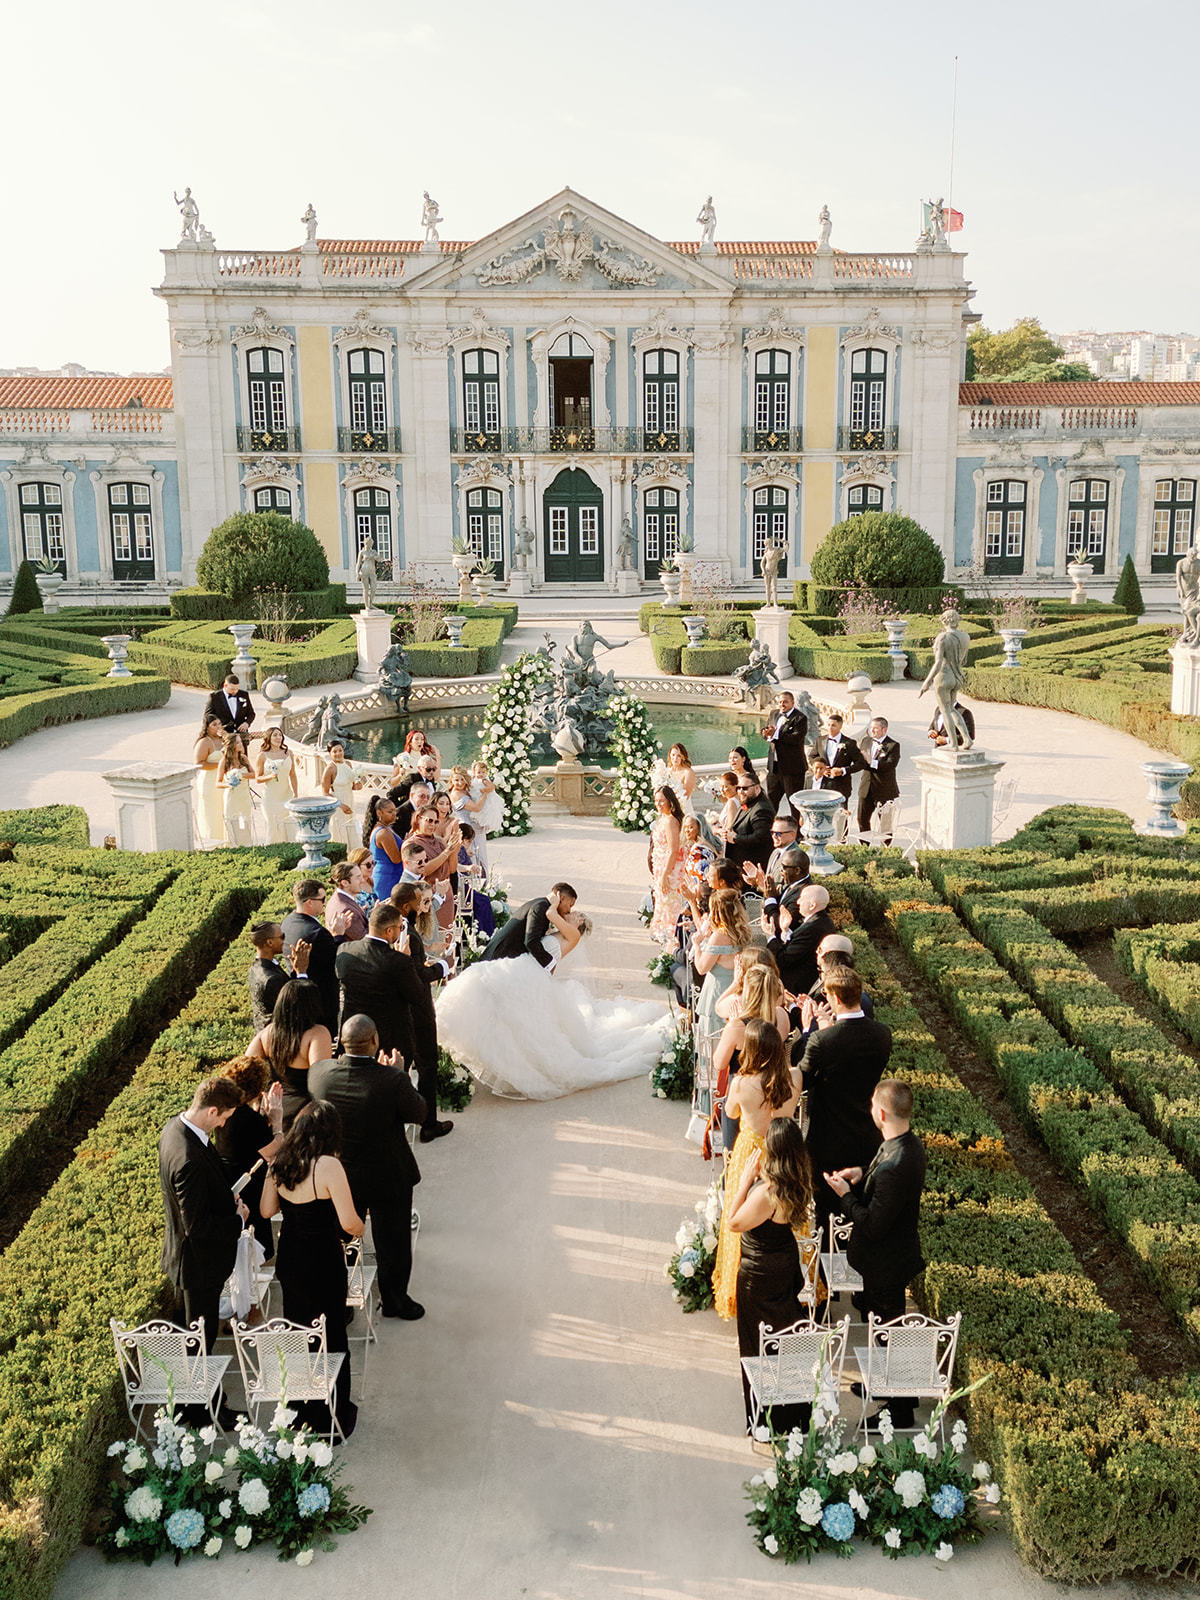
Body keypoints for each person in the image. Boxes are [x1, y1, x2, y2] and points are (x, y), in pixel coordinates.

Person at [436, 892, 670, 1099]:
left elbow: (550, 913)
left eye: (576, 914)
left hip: (528, 972)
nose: (572, 913)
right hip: (526, 970)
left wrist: (556, 899)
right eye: (573, 910)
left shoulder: (573, 934)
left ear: (580, 923)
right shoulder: (561, 932)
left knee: (496, 999)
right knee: (496, 1002)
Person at [308, 1015, 427, 1319]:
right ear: (375, 1041)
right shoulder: (393, 1080)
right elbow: (419, 1113)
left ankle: (343, 1303)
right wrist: (399, 1073)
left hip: (342, 1175)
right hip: (389, 1174)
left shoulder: (319, 1074)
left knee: (342, 1240)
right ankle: (395, 1301)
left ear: (341, 1043)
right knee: (393, 1241)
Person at [824, 1079, 927, 1428]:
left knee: (887, 1334)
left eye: (872, 1105)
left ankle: (899, 1411)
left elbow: (872, 1225)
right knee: (885, 1328)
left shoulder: (897, 1163)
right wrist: (862, 1175)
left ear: (880, 1113)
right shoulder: (905, 1145)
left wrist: (845, 1196)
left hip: (886, 1262)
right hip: (887, 1259)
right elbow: (883, 1185)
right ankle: (892, 1389)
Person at [260, 1099, 363, 1438]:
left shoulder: (281, 1162)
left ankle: (302, 1409)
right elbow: (349, 1223)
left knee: (300, 1332)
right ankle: (332, 1414)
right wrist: (361, 1228)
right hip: (322, 1260)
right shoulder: (328, 1166)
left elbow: (266, 1210)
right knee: (332, 1333)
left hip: (291, 1258)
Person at [727, 1117, 816, 1435]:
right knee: (784, 1336)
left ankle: (765, 1420)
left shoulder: (768, 1193)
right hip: (784, 1265)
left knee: (757, 1342)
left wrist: (743, 1182)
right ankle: (793, 1413)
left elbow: (734, 1223)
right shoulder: (797, 1181)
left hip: (759, 1272)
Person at [712, 1019, 801, 1320]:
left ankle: (739, 1286)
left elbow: (731, 1112)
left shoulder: (741, 1083)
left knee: (741, 1212)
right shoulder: (793, 1078)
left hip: (750, 1152)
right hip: (782, 1148)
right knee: (787, 1212)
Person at [158, 1076, 246, 1376]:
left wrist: (224, 1196)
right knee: (199, 1343)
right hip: (198, 1267)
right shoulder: (189, 1159)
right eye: (224, 1117)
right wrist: (237, 1220)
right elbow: (197, 1227)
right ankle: (204, 1402)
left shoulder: (174, 1128)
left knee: (193, 1338)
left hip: (188, 1260)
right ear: (212, 1111)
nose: (223, 1124)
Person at [799, 967, 891, 1238]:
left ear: (835, 999)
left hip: (828, 1139)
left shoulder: (822, 1040)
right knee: (859, 1211)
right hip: (867, 1136)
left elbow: (803, 1080)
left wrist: (809, 1030)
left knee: (827, 1217)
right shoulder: (882, 1034)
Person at [390, 883, 454, 1139]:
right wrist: (442, 968)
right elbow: (416, 976)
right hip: (418, 1009)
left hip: (399, 1009)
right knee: (427, 1064)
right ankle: (429, 1124)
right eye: (419, 902)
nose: (422, 906)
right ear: (407, 906)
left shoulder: (389, 924)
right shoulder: (407, 933)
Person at [712, 962, 793, 1154]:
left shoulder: (737, 1027)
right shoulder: (781, 1016)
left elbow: (719, 1063)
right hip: (773, 1090)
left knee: (736, 1154)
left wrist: (731, 1025)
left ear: (747, 991)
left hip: (742, 1094)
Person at [334, 900, 425, 1062]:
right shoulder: (399, 961)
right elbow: (417, 995)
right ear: (389, 931)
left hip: (353, 1038)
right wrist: (405, 960)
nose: (401, 931)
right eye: (400, 927)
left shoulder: (345, 950)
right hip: (390, 1045)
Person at [212, 1055, 281, 1260]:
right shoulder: (248, 1119)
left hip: (229, 1181)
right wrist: (277, 1121)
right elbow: (272, 1151)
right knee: (253, 1250)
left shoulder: (226, 1111)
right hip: (249, 1188)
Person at [247, 976, 334, 1130]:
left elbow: (245, 1069)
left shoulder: (267, 1032)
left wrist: (257, 1102)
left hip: (272, 1106)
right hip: (303, 1114)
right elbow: (321, 1082)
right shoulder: (318, 1034)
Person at [693, 888, 752, 1037]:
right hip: (735, 989)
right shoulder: (744, 931)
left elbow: (701, 968)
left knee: (714, 1037)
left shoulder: (719, 936)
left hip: (718, 991)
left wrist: (697, 945)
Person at [282, 879, 340, 1033]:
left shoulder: (287, 923)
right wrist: (338, 935)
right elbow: (337, 959)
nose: (324, 903)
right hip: (321, 1002)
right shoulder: (317, 933)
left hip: (298, 996)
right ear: (309, 903)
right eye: (322, 899)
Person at [479, 883, 576, 967]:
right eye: (570, 905)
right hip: (496, 960)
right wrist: (550, 963)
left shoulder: (541, 904)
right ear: (562, 898)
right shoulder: (540, 907)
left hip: (501, 959)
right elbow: (531, 941)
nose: (569, 910)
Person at [767, 883, 835, 996]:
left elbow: (783, 959)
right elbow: (796, 947)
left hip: (797, 989)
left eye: (801, 898)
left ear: (812, 905)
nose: (798, 902)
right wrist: (785, 930)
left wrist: (770, 935)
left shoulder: (813, 927)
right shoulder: (820, 921)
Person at [248, 920, 310, 1033]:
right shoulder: (272, 979)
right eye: (282, 937)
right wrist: (301, 973)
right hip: (277, 1036)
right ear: (270, 942)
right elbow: (295, 1006)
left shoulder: (255, 967)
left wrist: (295, 970)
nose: (284, 940)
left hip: (263, 1032)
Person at [406, 804, 461, 932]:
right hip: (427, 897)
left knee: (446, 935)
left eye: (436, 822)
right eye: (429, 821)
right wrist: (447, 852)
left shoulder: (439, 841)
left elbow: (452, 869)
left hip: (446, 893)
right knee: (430, 935)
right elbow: (423, 870)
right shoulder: (411, 843)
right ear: (419, 819)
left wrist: (454, 850)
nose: (433, 825)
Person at [857, 716, 901, 844]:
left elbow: (890, 765)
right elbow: (860, 760)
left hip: (884, 789)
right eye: (871, 728)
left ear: (884, 729)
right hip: (866, 787)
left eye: (875, 728)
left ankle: (886, 848)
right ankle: (864, 847)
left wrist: (871, 762)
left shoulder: (893, 745)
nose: (872, 731)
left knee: (885, 822)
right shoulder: (866, 741)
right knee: (861, 818)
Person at [649, 785, 685, 943]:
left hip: (671, 869)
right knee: (662, 899)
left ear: (670, 801)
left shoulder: (670, 821)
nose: (658, 804)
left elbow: (673, 850)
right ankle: (663, 931)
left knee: (670, 901)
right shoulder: (663, 818)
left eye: (662, 801)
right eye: (656, 800)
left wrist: (665, 875)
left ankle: (672, 935)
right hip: (660, 866)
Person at [762, 691, 808, 810]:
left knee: (795, 805)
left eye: (785, 702)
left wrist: (775, 734)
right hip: (774, 768)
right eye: (780, 702)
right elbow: (767, 730)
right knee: (770, 803)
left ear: (792, 703)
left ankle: (796, 823)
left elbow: (796, 739)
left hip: (792, 769)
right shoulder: (773, 713)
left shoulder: (800, 718)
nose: (782, 704)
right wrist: (766, 734)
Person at [721, 772, 775, 872]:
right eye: (738, 788)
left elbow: (760, 838)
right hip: (741, 864)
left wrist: (735, 838)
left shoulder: (761, 809)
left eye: (745, 788)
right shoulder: (749, 802)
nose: (741, 791)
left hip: (753, 866)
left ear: (757, 788)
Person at [254, 726, 297, 844]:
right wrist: (271, 776)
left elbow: (293, 775)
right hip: (270, 799)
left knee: (289, 828)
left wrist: (296, 794)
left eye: (280, 735)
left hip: (287, 796)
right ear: (268, 738)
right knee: (273, 828)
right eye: (275, 735)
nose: (278, 737)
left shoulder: (289, 753)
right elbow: (258, 778)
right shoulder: (262, 756)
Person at [454, 823, 495, 936]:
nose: (469, 844)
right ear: (463, 840)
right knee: (483, 901)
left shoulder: (461, 850)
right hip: (462, 890)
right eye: (469, 841)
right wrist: (468, 867)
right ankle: (486, 932)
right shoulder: (459, 849)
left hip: (465, 886)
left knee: (483, 900)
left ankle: (485, 932)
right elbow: (455, 866)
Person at [216, 733, 255, 847]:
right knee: (232, 821)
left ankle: (246, 844)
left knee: (245, 820)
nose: (241, 744)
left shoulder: (243, 758)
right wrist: (228, 784)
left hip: (244, 796)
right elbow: (218, 783)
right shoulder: (224, 761)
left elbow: (254, 774)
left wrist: (241, 775)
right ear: (232, 745)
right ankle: (233, 845)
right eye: (238, 742)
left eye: (240, 742)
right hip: (231, 796)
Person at [321, 742, 362, 850]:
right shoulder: (330, 769)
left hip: (350, 800)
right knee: (340, 828)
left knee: (350, 826)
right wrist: (341, 805)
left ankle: (352, 851)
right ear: (330, 753)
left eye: (340, 750)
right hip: (338, 804)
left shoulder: (348, 764)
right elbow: (325, 792)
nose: (338, 753)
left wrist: (357, 785)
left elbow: (351, 785)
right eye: (334, 751)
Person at [193, 715, 226, 843]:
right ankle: (212, 841)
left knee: (223, 809)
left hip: (222, 779)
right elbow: (199, 763)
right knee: (211, 812)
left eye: (219, 724)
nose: (218, 727)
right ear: (207, 727)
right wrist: (221, 765)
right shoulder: (204, 742)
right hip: (209, 781)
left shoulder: (224, 739)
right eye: (214, 725)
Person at [365, 795, 405, 904]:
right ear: (379, 813)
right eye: (390, 812)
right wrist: (407, 843)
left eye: (395, 811)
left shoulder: (386, 828)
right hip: (388, 877)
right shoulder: (383, 833)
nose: (394, 814)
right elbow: (396, 859)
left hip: (388, 874)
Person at [326, 860, 369, 942]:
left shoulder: (337, 897)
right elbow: (365, 940)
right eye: (358, 877)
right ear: (345, 883)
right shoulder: (346, 910)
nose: (362, 880)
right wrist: (376, 917)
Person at [203, 673, 254, 739]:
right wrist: (217, 729)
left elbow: (251, 713)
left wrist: (247, 723)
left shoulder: (244, 695)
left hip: (241, 735)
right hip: (223, 736)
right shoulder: (214, 697)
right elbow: (208, 716)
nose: (235, 691)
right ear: (225, 685)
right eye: (232, 689)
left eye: (237, 688)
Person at [665, 743, 698, 815]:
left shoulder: (688, 772)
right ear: (670, 755)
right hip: (668, 809)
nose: (675, 758)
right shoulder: (667, 771)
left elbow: (686, 795)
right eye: (673, 755)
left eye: (678, 756)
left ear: (683, 757)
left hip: (684, 809)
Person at [347, 846, 378, 913]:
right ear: (357, 866)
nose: (372, 867)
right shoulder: (352, 888)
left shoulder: (370, 881)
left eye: (373, 863)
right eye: (368, 865)